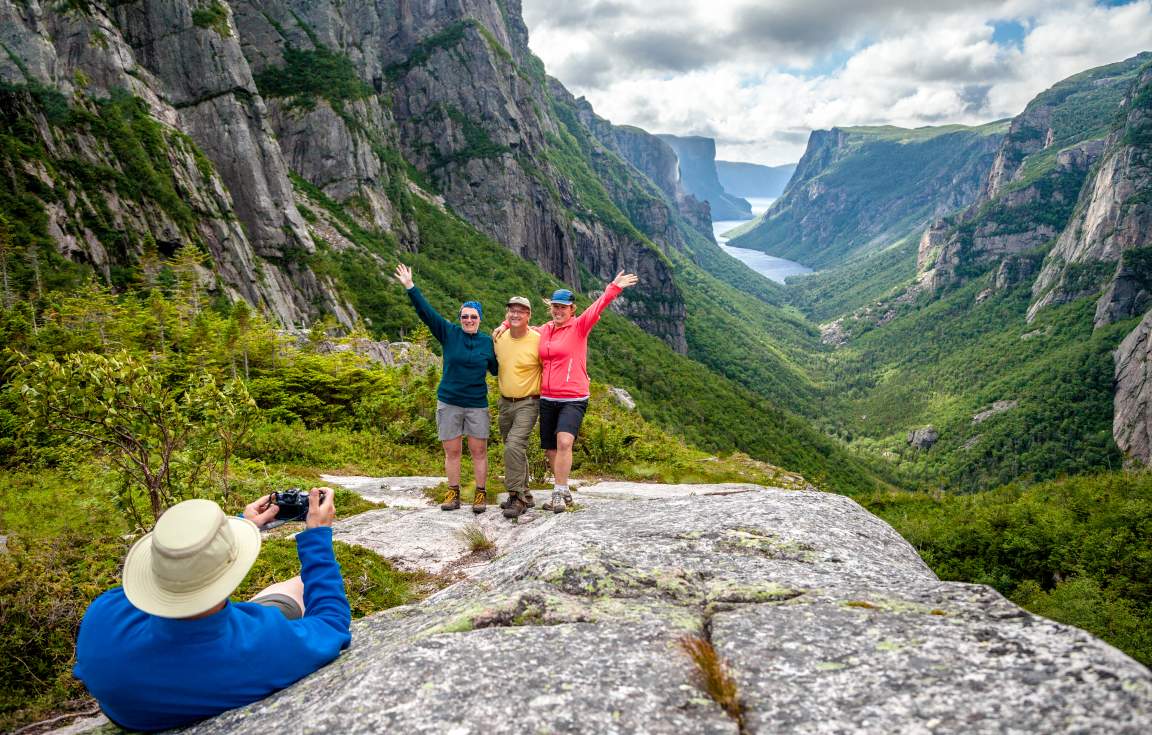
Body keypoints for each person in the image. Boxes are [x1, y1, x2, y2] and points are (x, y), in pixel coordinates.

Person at [73, 489, 350, 732]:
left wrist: (242, 526)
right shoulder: (262, 646)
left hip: (135, 710)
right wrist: (317, 536)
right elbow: (331, 622)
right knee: (299, 585)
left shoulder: (103, 614)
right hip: (224, 650)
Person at [498, 271, 639, 512]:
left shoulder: (579, 326)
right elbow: (523, 326)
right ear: (550, 308)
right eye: (555, 306)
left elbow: (598, 307)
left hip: (573, 397)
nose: (558, 310)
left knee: (564, 441)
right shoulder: (544, 330)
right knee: (551, 448)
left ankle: (558, 491)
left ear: (572, 309)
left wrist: (613, 288)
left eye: (563, 307)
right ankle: (562, 490)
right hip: (547, 397)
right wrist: (503, 324)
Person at [394, 263, 498, 513]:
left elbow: (497, 369)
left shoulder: (487, 342)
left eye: (473, 317)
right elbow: (426, 313)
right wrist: (410, 287)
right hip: (449, 401)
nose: (469, 320)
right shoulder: (449, 333)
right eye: (465, 316)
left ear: (480, 319)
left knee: (479, 451)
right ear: (459, 318)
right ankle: (453, 492)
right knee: (452, 451)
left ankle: (480, 494)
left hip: (476, 404)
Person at [493, 295, 542, 519]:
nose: (515, 314)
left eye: (521, 311)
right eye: (512, 310)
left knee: (513, 445)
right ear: (507, 314)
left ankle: (517, 497)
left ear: (528, 316)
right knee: (514, 448)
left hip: (528, 402)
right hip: (505, 402)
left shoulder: (538, 340)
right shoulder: (499, 338)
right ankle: (527, 494)